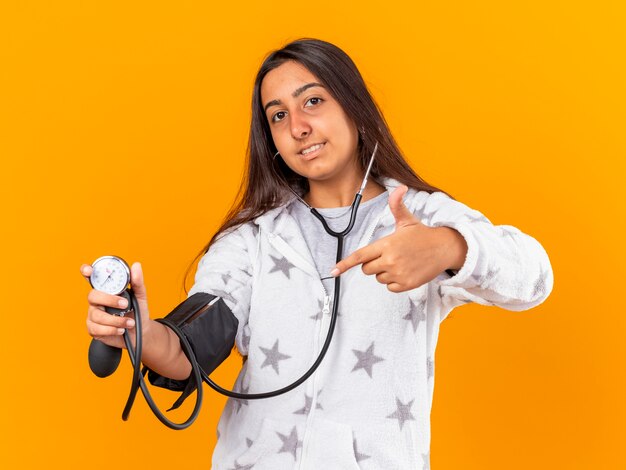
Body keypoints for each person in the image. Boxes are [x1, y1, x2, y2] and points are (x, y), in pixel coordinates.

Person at [81, 38, 554, 469]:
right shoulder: (253, 238)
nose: (299, 127)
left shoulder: (420, 215)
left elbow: (535, 278)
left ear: (354, 108)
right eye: (278, 115)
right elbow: (195, 347)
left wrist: (448, 246)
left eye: (313, 101)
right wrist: (139, 332)